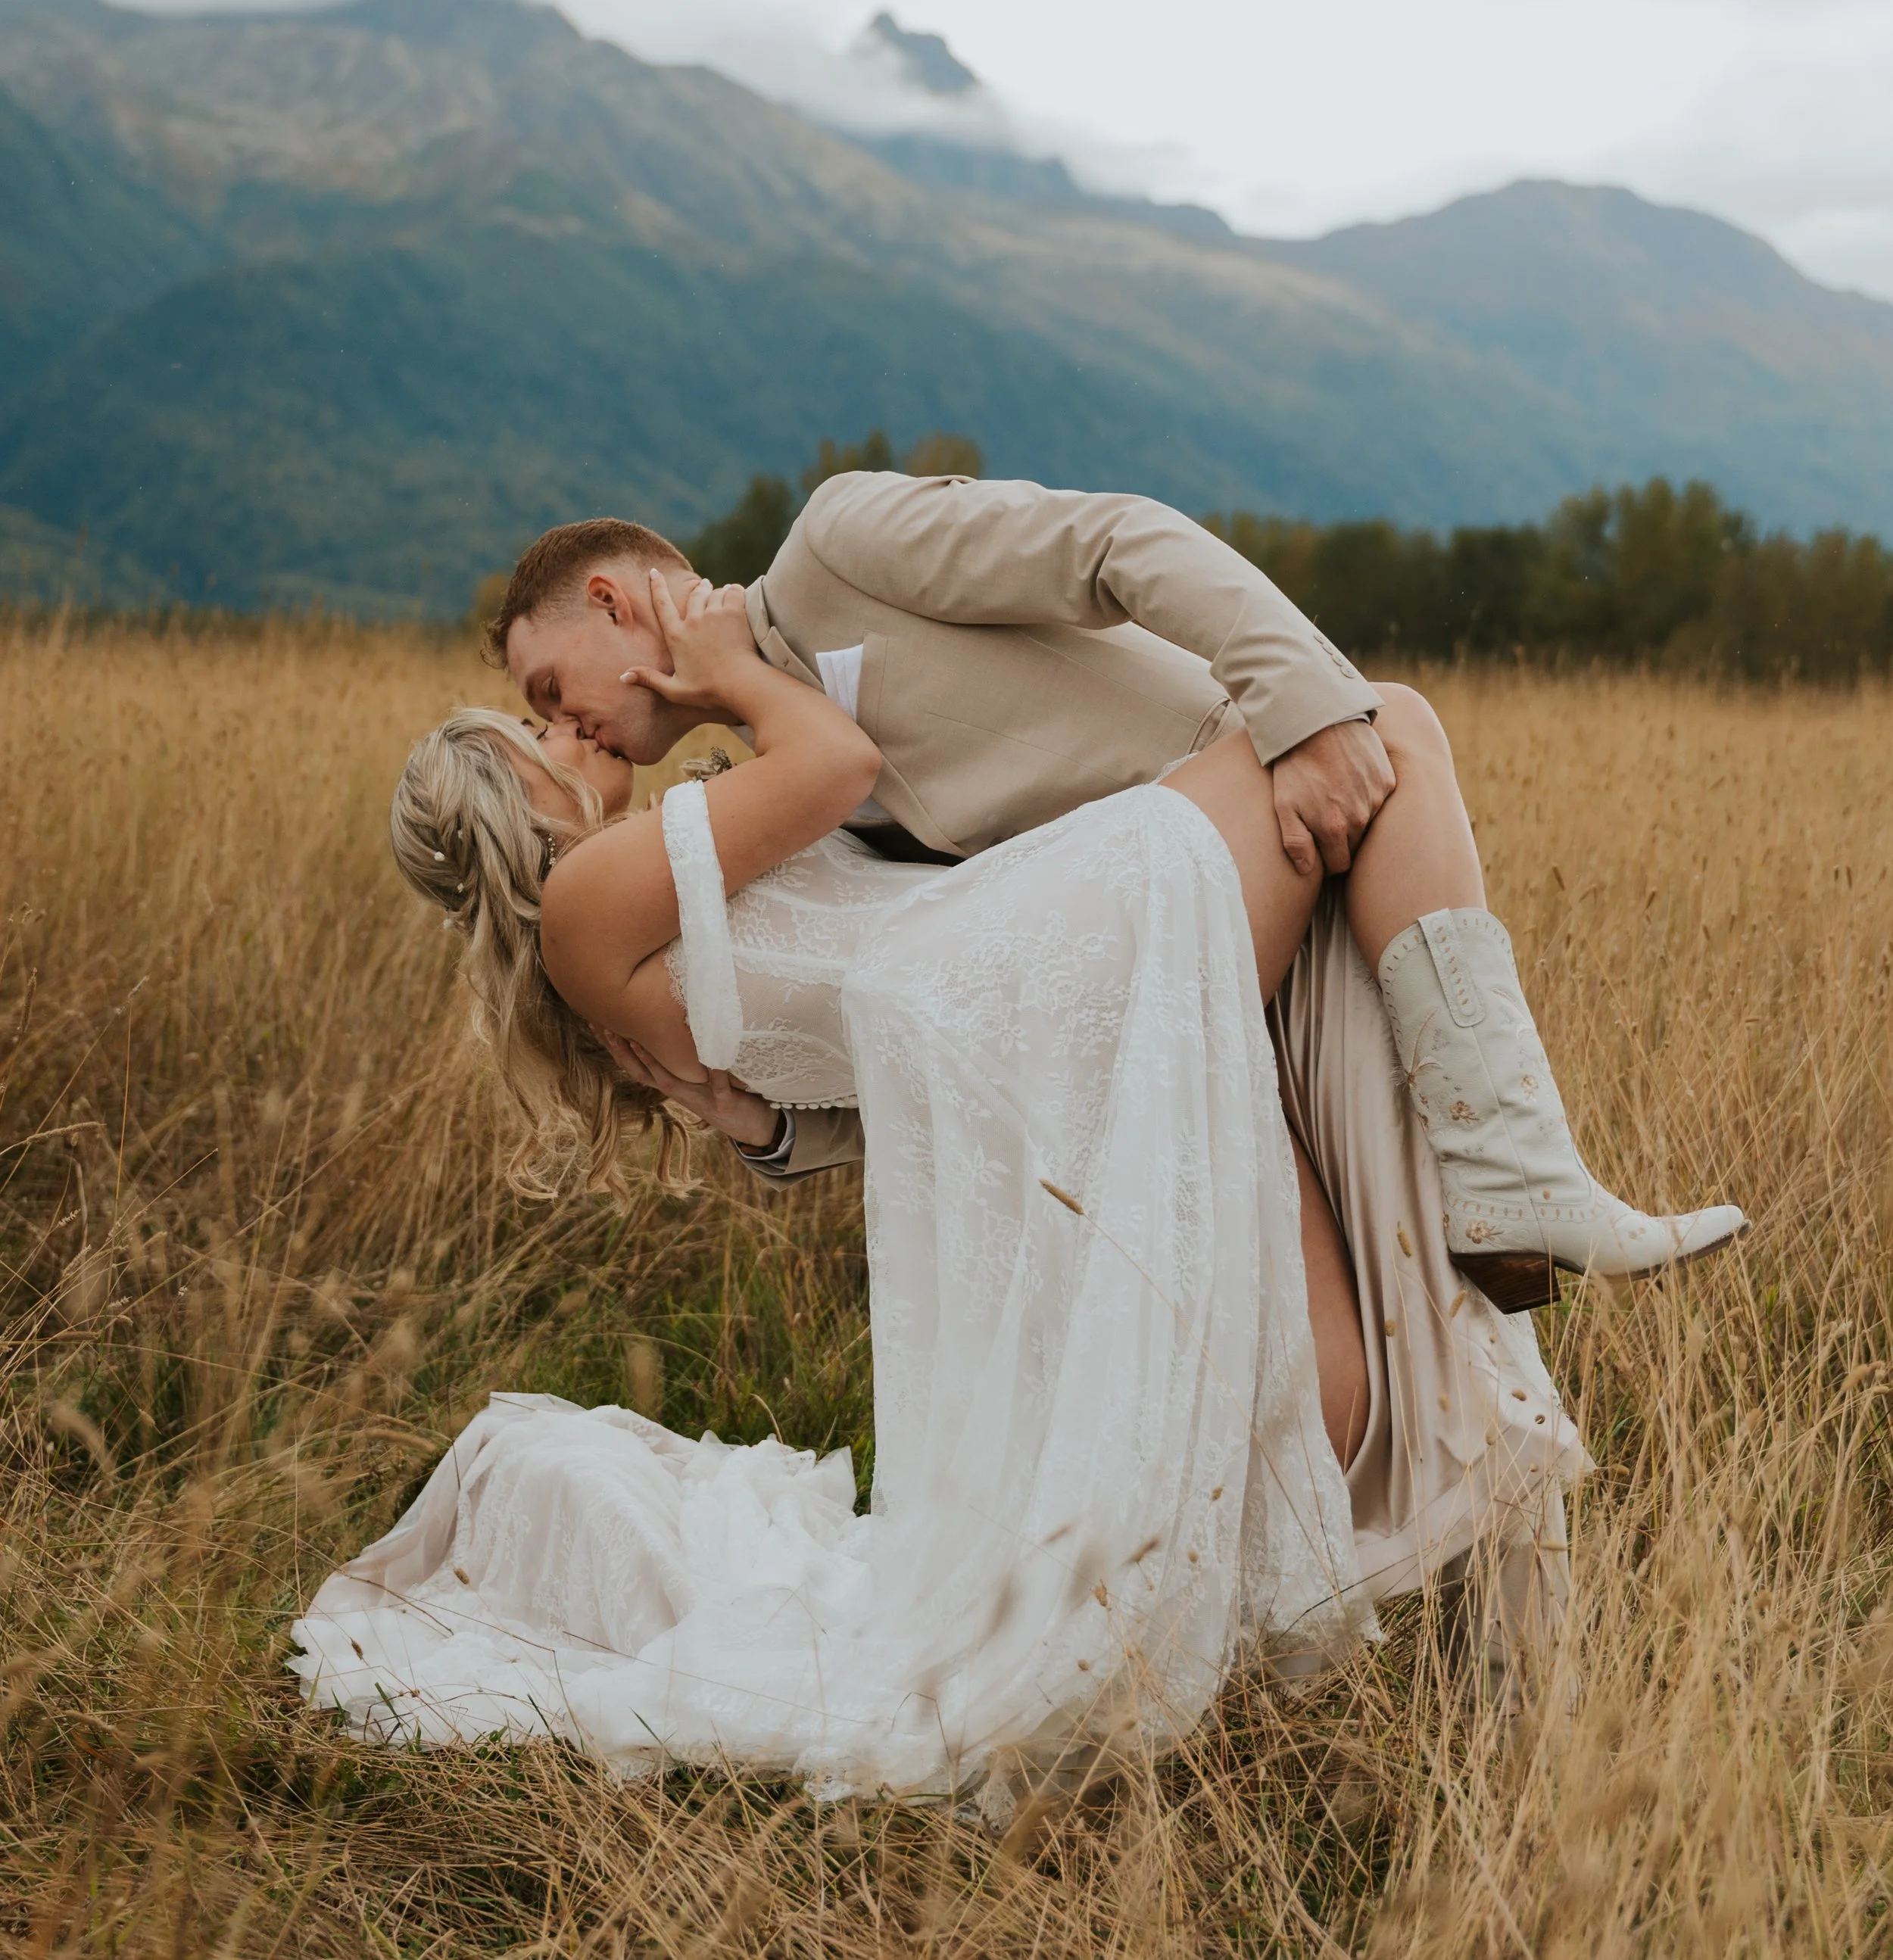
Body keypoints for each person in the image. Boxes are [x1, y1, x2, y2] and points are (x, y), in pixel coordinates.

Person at [292, 577, 1586, 1808]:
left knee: (1336, 1379)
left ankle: (1489, 1665)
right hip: (1043, 976)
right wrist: (736, 666)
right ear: (503, 795)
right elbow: (839, 767)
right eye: (528, 729)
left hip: (1021, 1033)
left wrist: (765, 1123)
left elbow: (827, 1045)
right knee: (1385, 725)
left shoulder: (634, 889)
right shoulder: (585, 896)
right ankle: (1511, 1168)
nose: (559, 726)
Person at [494, 475, 1745, 1309]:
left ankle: (1519, 1179)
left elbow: (1116, 542)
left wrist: (1301, 709)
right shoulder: (778, 785)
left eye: (553, 687)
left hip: (1275, 820)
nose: (570, 724)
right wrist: (775, 1132)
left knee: (1391, 725)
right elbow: (940, 1019)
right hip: (1176, 993)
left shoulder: (835, 548)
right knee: (1356, 1331)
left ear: (612, 600)